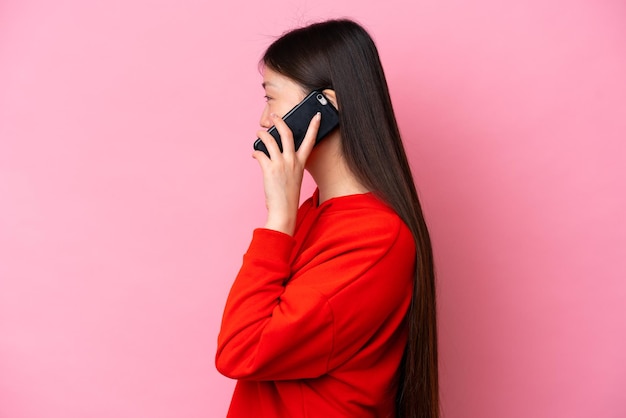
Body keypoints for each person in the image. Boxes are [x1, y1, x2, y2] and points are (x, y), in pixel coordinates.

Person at [216, 19, 439, 418]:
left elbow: (242, 348)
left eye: (272, 98)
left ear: (326, 108)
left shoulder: (375, 238)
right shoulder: (315, 213)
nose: (264, 120)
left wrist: (279, 215)